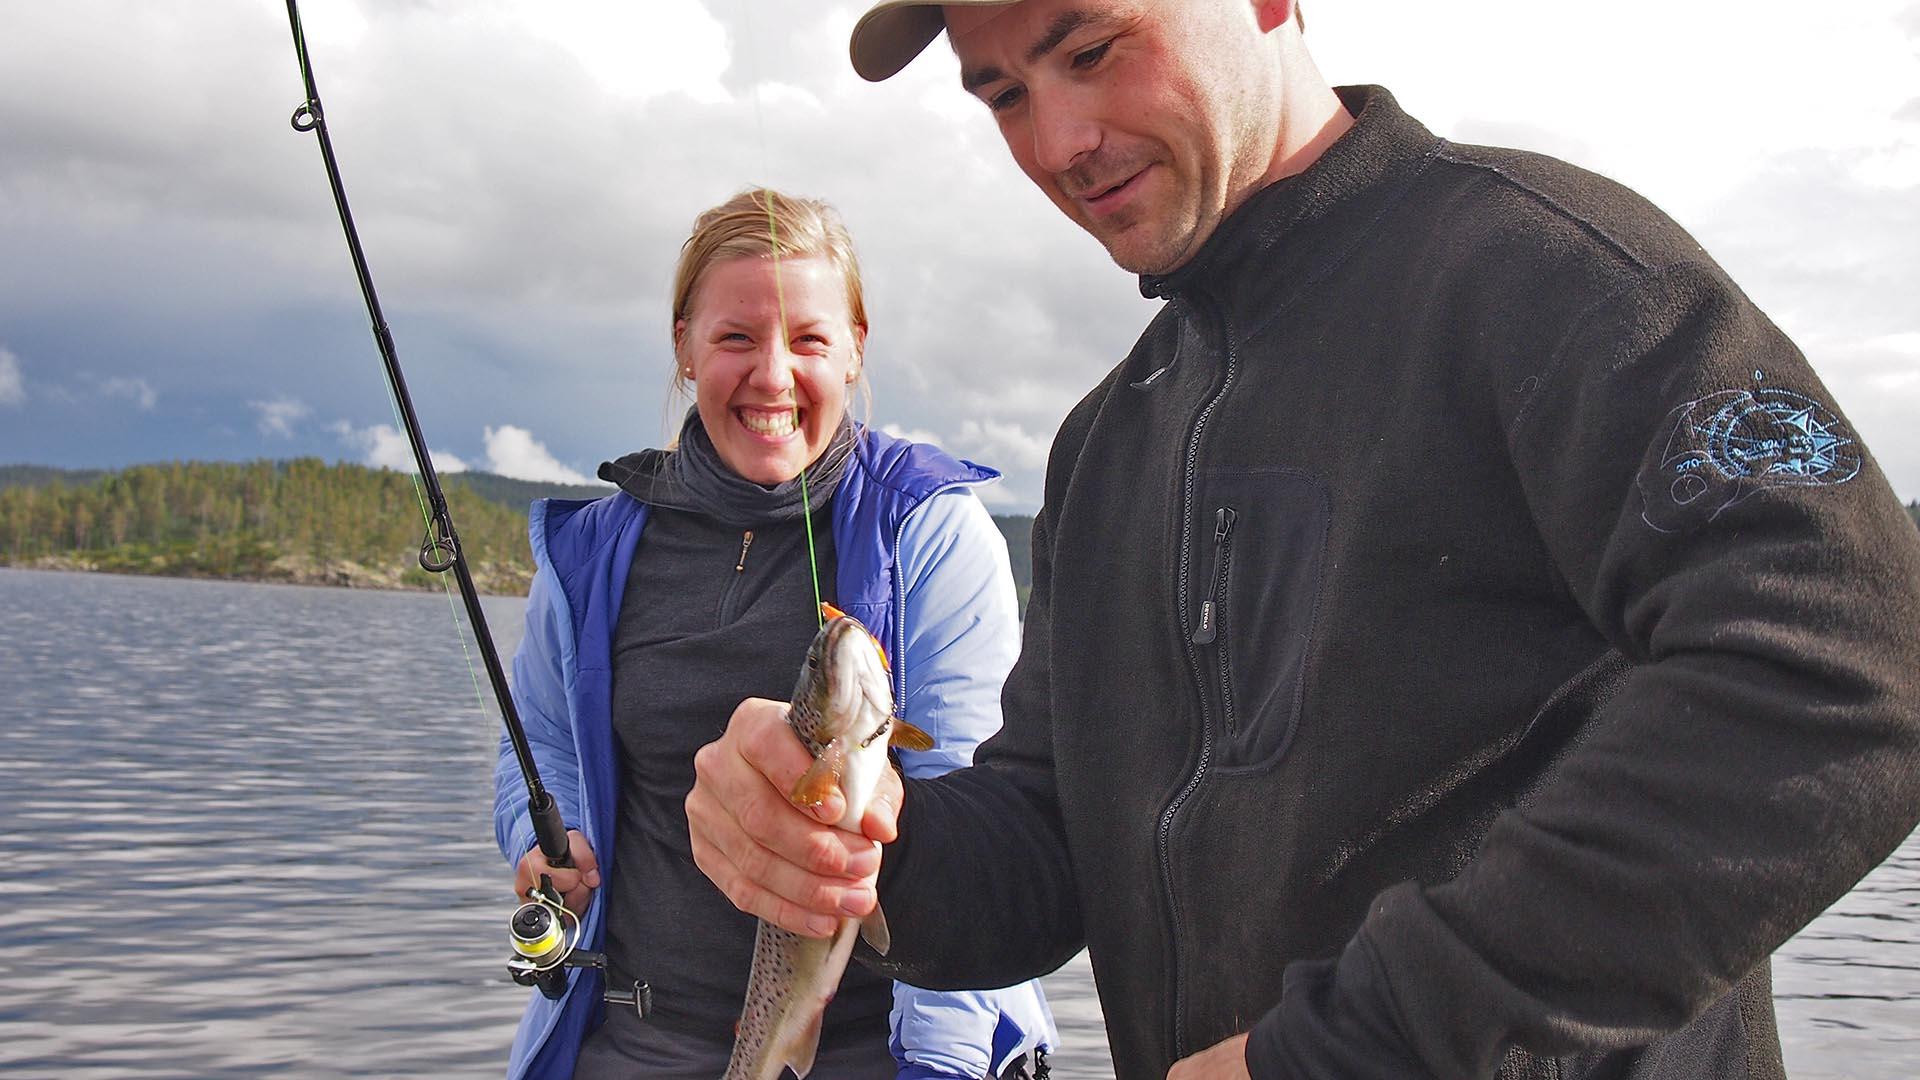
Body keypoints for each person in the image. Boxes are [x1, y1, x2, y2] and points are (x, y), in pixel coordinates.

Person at [683, 3, 1920, 1079]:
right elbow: (1052, 836)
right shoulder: (1104, 442)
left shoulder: (1549, 276)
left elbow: (1853, 664)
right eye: (1003, 93)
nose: (1058, 143)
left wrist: (1367, 1048)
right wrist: (860, 839)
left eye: (1095, 49)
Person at [492, 187, 1056, 1080]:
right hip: (633, 1037)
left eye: (810, 340)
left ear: (857, 346)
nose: (774, 375)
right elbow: (540, 748)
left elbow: (985, 807)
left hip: (889, 1049)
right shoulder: (590, 555)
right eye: (735, 338)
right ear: (683, 344)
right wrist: (542, 841)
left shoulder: (933, 533)